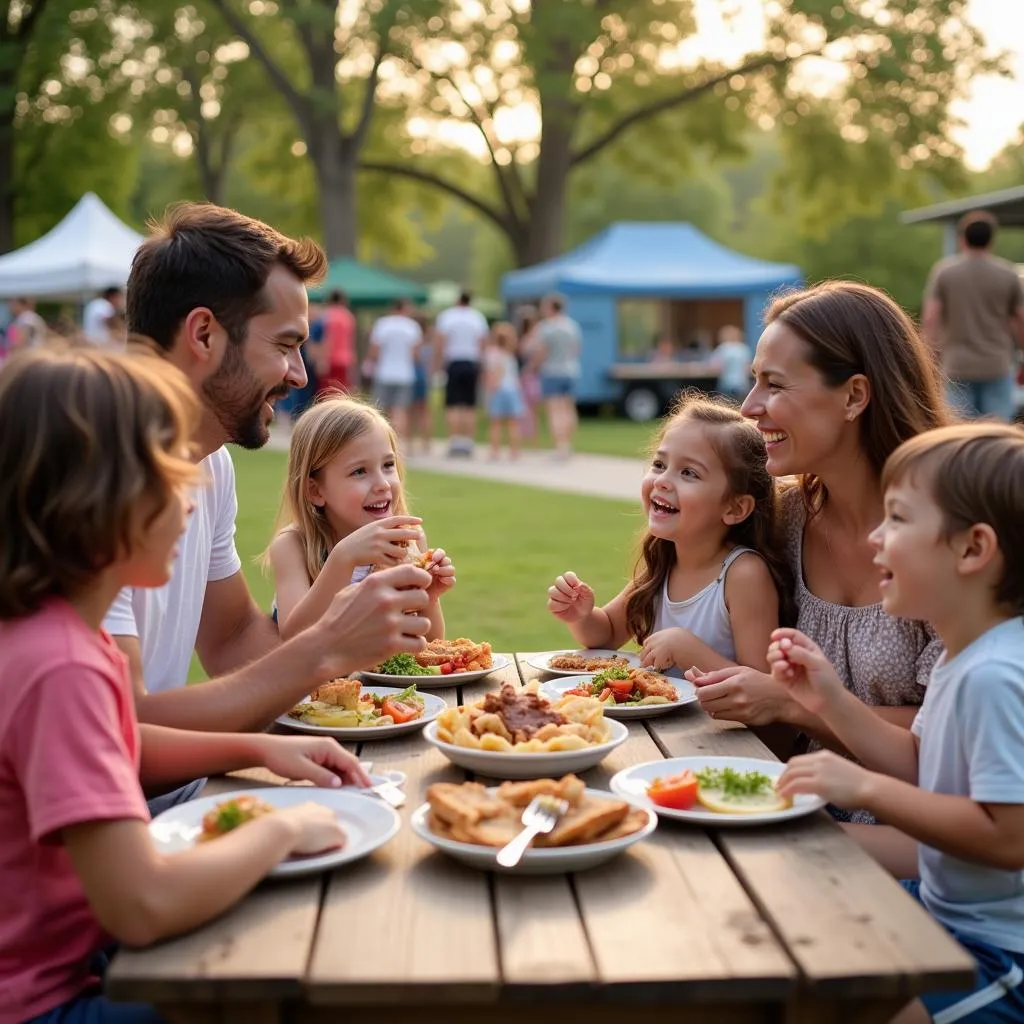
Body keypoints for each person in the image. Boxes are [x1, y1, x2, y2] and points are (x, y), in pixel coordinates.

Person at [0, 346, 369, 1024]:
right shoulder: (62, 666)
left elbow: (121, 748)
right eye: (172, 475)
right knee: (284, 994)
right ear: (100, 500)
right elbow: (143, 905)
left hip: (72, 959)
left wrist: (257, 751)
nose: (193, 495)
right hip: (44, 1000)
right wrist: (280, 833)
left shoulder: (54, 636)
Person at [103, 202, 433, 746]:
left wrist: (346, 676)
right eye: (285, 344)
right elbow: (116, 728)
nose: (300, 374)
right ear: (204, 335)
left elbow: (234, 640)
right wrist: (323, 646)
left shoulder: (212, 462)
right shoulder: (86, 482)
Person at [771, 423, 1024, 1024]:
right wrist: (830, 701)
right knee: (797, 949)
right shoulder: (966, 659)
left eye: (899, 520)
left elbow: (1009, 837)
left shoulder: (996, 676)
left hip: (1001, 952)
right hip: (946, 913)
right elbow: (924, 766)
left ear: (972, 549)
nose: (876, 538)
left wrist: (862, 788)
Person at [689, 281, 952, 835]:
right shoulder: (785, 519)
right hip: (790, 810)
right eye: (753, 380)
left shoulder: (948, 539)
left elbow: (951, 742)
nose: (748, 407)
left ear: (855, 396)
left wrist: (790, 704)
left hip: (920, 845)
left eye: (774, 384)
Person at [547, 395, 788, 673]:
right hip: (665, 717)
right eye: (659, 465)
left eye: (689, 473)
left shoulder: (744, 574)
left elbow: (761, 685)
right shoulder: (664, 562)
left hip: (722, 719)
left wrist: (687, 650)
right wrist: (582, 616)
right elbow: (608, 633)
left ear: (735, 507)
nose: (661, 481)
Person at [266, 395, 455, 641]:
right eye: (359, 471)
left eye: (388, 465)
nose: (382, 483)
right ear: (315, 490)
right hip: (314, 680)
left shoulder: (407, 542)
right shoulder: (293, 546)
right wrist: (342, 558)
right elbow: (294, 638)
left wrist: (427, 597)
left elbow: (430, 647)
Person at [923, 212, 1024, 422]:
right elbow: (1020, 319)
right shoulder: (1007, 274)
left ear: (962, 239)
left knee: (960, 434)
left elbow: (931, 318)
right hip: (997, 365)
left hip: (957, 366)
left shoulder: (945, 272)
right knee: (996, 436)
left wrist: (928, 359)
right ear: (992, 240)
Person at [434, 290, 489, 457]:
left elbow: (441, 342)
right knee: (469, 404)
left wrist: (438, 364)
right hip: (471, 362)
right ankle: (468, 442)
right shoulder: (477, 317)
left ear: (458, 300)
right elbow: (482, 343)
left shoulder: (447, 317)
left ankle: (454, 440)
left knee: (453, 404)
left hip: (454, 362)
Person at [531, 293, 582, 460]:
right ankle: (568, 442)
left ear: (551, 307)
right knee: (568, 409)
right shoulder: (572, 326)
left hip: (552, 371)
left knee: (555, 411)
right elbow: (577, 349)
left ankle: (561, 446)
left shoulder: (546, 327)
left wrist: (532, 367)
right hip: (570, 370)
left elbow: (541, 351)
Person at [364, 298, 422, 440]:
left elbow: (374, 351)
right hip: (404, 374)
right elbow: (415, 355)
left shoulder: (383, 324)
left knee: (380, 410)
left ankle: (379, 440)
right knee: (400, 410)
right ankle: (398, 442)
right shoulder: (412, 327)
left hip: (384, 373)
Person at [483, 321, 525, 460]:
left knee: (496, 423)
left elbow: (492, 373)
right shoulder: (511, 355)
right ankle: (514, 451)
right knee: (513, 423)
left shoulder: (492, 354)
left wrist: (490, 388)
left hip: (499, 389)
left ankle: (494, 451)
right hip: (512, 389)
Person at [316, 290, 356, 397]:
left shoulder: (327, 315)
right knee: (342, 392)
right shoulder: (348, 316)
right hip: (345, 359)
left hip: (331, 360)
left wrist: (323, 359)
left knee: (328, 392)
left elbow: (328, 338)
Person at [408, 312, 435, 455]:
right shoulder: (429, 343)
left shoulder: (414, 341)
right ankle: (426, 443)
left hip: (413, 375)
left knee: (411, 411)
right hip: (424, 377)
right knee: (424, 411)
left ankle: (410, 442)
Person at [516, 305, 542, 447]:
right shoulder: (536, 337)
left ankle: (527, 440)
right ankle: (533, 442)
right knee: (532, 410)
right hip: (533, 377)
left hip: (525, 377)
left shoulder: (522, 340)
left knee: (524, 410)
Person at [710, 325, 752, 404]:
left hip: (726, 383)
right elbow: (747, 367)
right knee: (739, 405)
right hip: (741, 383)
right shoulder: (743, 348)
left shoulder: (722, 348)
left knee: (726, 406)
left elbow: (715, 367)